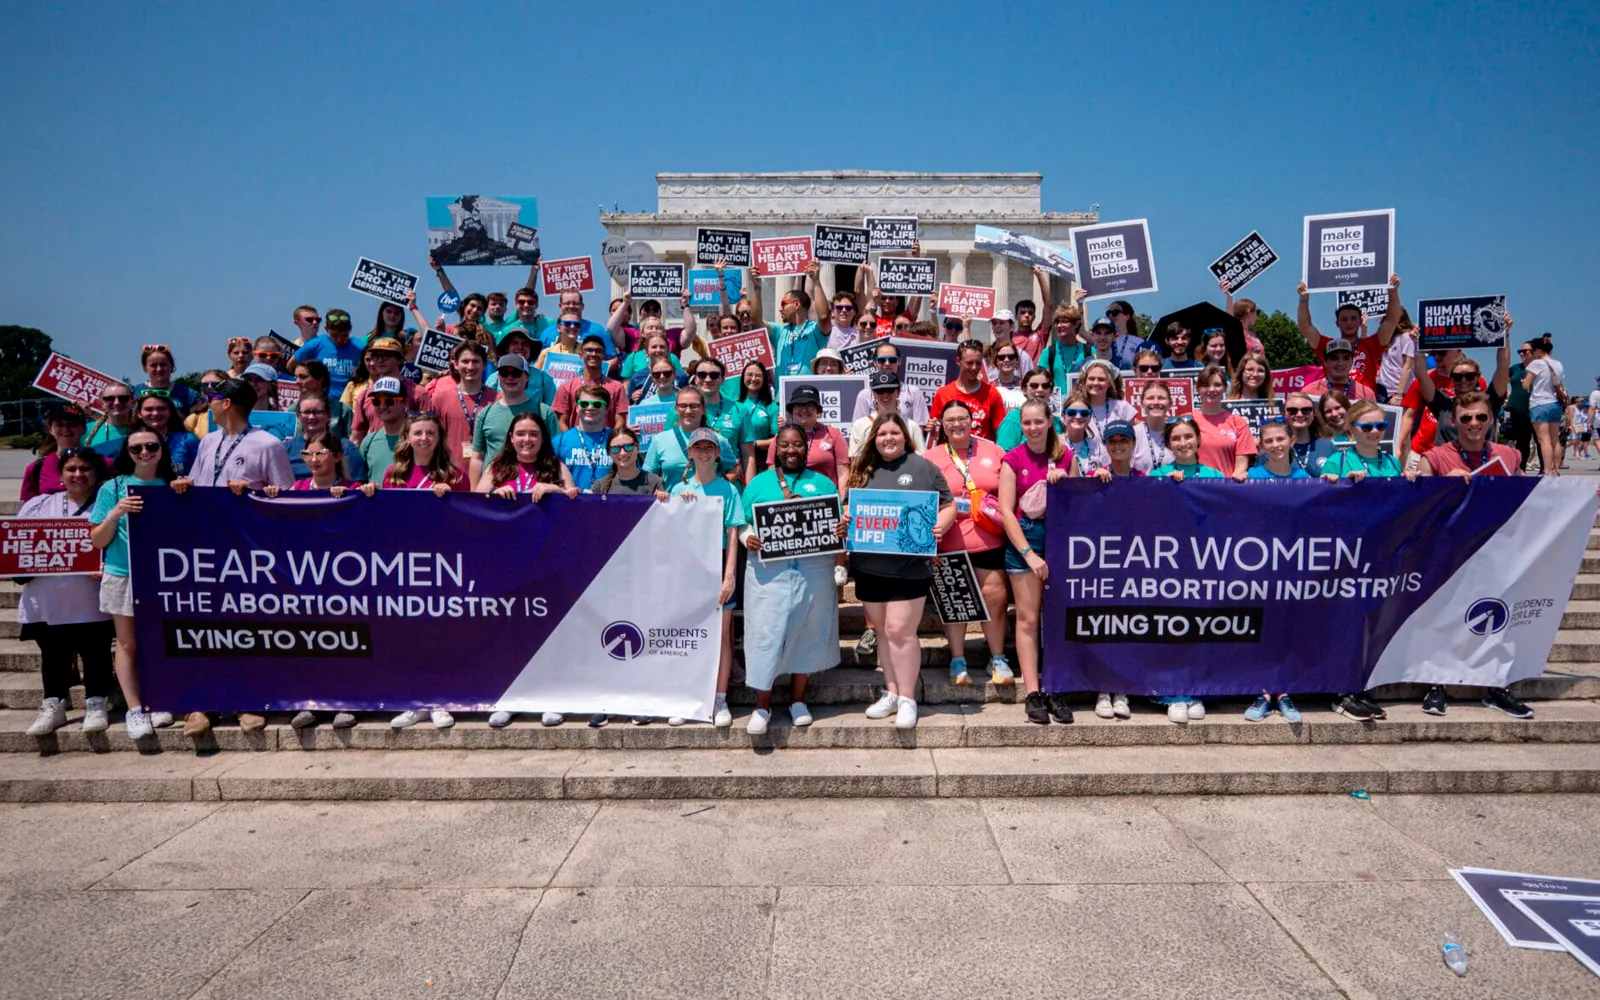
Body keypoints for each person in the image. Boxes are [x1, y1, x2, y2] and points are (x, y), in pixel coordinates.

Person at [1414, 390, 1534, 718]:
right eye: (1466, 418)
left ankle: (1496, 688)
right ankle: (1436, 685)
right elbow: (1416, 507)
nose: (1474, 423)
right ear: (1453, 421)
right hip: (1449, 556)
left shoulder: (1509, 456)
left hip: (1497, 555)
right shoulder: (1435, 457)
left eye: (1481, 417)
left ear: (1491, 419)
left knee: (1497, 621)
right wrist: (1440, 486)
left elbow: (1529, 498)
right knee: (1442, 620)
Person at [843, 413, 955, 730]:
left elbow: (948, 505)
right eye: (882, 434)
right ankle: (891, 692)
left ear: (905, 436)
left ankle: (908, 698)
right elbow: (849, 507)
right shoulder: (862, 470)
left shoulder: (923, 467)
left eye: (894, 432)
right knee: (882, 632)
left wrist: (940, 527)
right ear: (873, 438)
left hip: (910, 566)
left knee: (900, 631)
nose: (888, 438)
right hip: (869, 565)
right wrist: (848, 518)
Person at [88, 431, 182, 740]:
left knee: (161, 640)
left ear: (161, 449)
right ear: (127, 452)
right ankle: (135, 708)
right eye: (137, 447)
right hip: (123, 573)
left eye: (151, 446)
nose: (145, 451)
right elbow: (97, 540)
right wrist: (116, 513)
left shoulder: (173, 484)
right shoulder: (111, 488)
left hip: (165, 576)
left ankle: (159, 699)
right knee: (127, 644)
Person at [20, 449, 121, 736]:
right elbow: (17, 544)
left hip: (90, 595)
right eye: (72, 469)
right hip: (47, 597)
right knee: (53, 654)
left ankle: (96, 702)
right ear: (62, 474)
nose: (78, 474)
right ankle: (54, 704)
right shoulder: (38, 505)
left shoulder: (106, 505)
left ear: (97, 473)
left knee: (97, 652)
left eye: (85, 468)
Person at [998, 399, 1075, 725]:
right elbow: (1005, 510)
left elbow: (1077, 504)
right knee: (1028, 620)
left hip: (1059, 541)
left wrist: (1066, 484)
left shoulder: (1066, 456)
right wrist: (1029, 554)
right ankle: (1032, 691)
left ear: (1049, 422)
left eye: (1038, 422)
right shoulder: (1013, 458)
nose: (1032, 428)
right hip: (1024, 544)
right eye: (1026, 423)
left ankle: (1054, 687)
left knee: (1056, 620)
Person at [927, 400, 1013, 687]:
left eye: (961, 418)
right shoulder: (930, 457)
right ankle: (957, 659)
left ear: (971, 420)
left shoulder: (993, 450)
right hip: (949, 542)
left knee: (996, 601)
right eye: (949, 420)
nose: (956, 424)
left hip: (989, 540)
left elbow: (1009, 492)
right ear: (942, 424)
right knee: (955, 603)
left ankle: (997, 658)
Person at [672, 428, 746, 728]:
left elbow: (732, 534)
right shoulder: (678, 489)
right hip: (687, 572)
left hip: (716, 567)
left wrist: (729, 578)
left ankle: (719, 697)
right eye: (698, 447)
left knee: (721, 638)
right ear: (689, 453)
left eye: (709, 448)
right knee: (687, 639)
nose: (704, 452)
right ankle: (688, 697)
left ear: (717, 453)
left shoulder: (729, 490)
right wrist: (677, 504)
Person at [1407, 333, 1512, 460]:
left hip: (1483, 467)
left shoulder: (1489, 402)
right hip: (1446, 467)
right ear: (1452, 379)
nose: (1464, 380)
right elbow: (1422, 376)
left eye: (1469, 376)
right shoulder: (1443, 405)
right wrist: (1417, 346)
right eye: (1457, 377)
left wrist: (1504, 334)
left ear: (1478, 377)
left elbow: (1503, 367)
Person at [1296, 274, 1405, 394]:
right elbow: (1306, 326)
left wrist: (1393, 292)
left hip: (1363, 405)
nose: (1349, 322)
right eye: (1344, 319)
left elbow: (1391, 320)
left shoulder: (1372, 345)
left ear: (1360, 322)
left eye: (1353, 318)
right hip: (1334, 405)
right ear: (1337, 324)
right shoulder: (1328, 346)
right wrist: (1303, 299)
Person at [469, 354, 559, 487]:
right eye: (504, 373)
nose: (510, 378)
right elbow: (477, 458)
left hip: (535, 490)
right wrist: (476, 497)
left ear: (527, 377)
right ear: (498, 377)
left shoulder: (544, 412)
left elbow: (555, 454)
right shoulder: (485, 413)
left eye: (516, 373)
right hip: (495, 491)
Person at [191, 378, 294, 491]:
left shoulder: (269, 445)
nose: (209, 404)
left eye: (211, 399)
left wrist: (249, 490)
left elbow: (286, 495)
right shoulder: (208, 440)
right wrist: (184, 484)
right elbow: (195, 482)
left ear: (226, 403)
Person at [423, 340, 497, 477]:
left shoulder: (498, 399)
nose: (470, 366)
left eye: (475, 361)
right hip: (449, 475)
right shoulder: (440, 398)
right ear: (455, 364)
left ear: (484, 365)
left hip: (489, 477)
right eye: (465, 361)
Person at [748, 262, 827, 377]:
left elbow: (824, 316)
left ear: (797, 305)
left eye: (784, 304)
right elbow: (755, 321)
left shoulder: (815, 330)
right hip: (782, 394)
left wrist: (816, 281)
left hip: (806, 393)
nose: (780, 309)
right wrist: (756, 287)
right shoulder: (779, 332)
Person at [691, 358, 757, 481]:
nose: (708, 379)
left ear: (722, 379)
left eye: (714, 375)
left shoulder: (739, 409)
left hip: (729, 486)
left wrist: (750, 492)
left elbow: (748, 456)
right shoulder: (682, 409)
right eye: (702, 375)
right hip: (691, 490)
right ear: (695, 378)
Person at [22, 402, 98, 502]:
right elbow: (28, 511)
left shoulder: (101, 463)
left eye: (72, 424)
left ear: (83, 428)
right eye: (59, 424)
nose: (65, 429)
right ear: (51, 429)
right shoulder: (36, 469)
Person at [347, 337, 420, 441]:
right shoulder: (365, 395)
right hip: (375, 453)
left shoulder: (418, 392)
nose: (380, 360)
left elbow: (428, 428)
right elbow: (356, 438)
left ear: (400, 359)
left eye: (386, 356)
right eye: (376, 356)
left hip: (407, 454)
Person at [931, 341, 1008, 441]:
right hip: (951, 452)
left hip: (981, 453)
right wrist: (931, 427)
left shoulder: (991, 393)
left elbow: (1001, 432)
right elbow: (936, 429)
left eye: (978, 363)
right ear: (958, 361)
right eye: (970, 363)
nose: (974, 368)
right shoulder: (943, 393)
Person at [1321, 401, 1413, 482]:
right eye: (1366, 427)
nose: (1375, 431)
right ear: (1351, 428)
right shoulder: (1335, 462)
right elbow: (1325, 498)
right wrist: (1346, 483)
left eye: (1380, 426)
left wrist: (1411, 482)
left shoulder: (1393, 462)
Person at [1191, 364, 1255, 480]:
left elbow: (1241, 465)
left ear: (1225, 388)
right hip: (1193, 488)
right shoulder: (1187, 421)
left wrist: (1237, 476)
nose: (1211, 389)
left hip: (1225, 489)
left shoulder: (1238, 422)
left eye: (1217, 385)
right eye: (1205, 385)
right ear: (1197, 389)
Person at [554, 335, 629, 431]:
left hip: (606, 442)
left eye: (598, 351)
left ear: (603, 356)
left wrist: (610, 441)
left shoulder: (617, 387)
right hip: (575, 443)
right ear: (581, 355)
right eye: (588, 350)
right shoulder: (566, 387)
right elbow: (561, 421)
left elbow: (620, 421)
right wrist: (573, 440)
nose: (593, 354)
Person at [849, 339, 931, 426]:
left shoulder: (914, 392)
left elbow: (920, 427)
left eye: (892, 360)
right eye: (882, 360)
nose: (887, 363)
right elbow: (858, 428)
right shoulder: (864, 395)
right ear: (874, 362)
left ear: (899, 361)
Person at [382, 413, 469, 494]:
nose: (424, 438)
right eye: (417, 433)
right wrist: (371, 493)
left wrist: (450, 498)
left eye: (430, 433)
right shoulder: (393, 474)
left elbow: (465, 508)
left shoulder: (456, 477)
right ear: (407, 437)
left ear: (439, 438)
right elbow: (386, 508)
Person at [269, 431, 370, 497]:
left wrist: (350, 494)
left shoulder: (353, 488)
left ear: (337, 456)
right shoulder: (298, 488)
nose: (313, 460)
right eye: (307, 454)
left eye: (321, 454)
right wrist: (274, 495)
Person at [552, 385, 614, 491]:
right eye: (584, 404)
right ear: (576, 407)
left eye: (597, 404)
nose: (590, 408)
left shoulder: (617, 439)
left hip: (610, 504)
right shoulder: (559, 441)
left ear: (607, 409)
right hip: (571, 504)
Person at [292, 308, 364, 398]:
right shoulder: (317, 344)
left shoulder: (360, 347)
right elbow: (291, 365)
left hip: (350, 401)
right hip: (323, 400)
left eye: (344, 335)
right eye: (334, 335)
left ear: (350, 330)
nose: (339, 339)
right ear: (326, 329)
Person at [850, 370, 925, 456]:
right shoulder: (860, 425)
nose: (885, 395)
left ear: (898, 391)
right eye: (880, 391)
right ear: (873, 393)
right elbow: (855, 461)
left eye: (890, 390)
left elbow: (922, 457)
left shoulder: (912, 426)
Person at [1523, 333, 1566, 474]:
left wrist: (1523, 381)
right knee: (1555, 439)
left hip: (1539, 403)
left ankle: (1546, 470)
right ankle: (1555, 469)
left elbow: (1526, 385)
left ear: (1538, 351)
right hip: (1555, 404)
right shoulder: (1558, 364)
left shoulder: (1537, 363)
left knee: (1543, 440)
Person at [133, 389, 199, 476]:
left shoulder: (188, 440)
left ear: (170, 412)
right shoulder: (131, 444)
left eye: (161, 408)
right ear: (139, 414)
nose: (155, 413)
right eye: (149, 409)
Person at [357, 377, 410, 486]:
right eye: (377, 401)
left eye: (389, 401)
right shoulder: (369, 441)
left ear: (404, 402)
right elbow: (359, 481)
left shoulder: (417, 438)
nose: (382, 406)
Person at [589, 425, 667, 498]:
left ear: (638, 447)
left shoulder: (655, 482)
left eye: (628, 447)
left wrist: (663, 499)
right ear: (609, 452)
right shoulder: (599, 487)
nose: (623, 453)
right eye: (616, 449)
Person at [995, 370, 1063, 451]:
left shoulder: (1057, 422)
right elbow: (1003, 454)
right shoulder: (1013, 418)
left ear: (1051, 391)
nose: (1040, 389)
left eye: (1045, 386)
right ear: (1024, 390)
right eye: (1034, 386)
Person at [291, 359, 353, 438]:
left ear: (320, 380)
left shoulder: (342, 410)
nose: (297, 381)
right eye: (296, 377)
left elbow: (351, 442)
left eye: (303, 377)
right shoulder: (292, 410)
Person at [1302, 338, 1377, 401]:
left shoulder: (1366, 394)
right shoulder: (1309, 392)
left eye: (1346, 358)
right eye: (1334, 358)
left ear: (1352, 361)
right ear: (1325, 362)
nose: (1340, 363)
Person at [1281, 392, 1337, 476]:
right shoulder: (1275, 448)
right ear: (1284, 414)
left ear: (1313, 414)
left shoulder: (1327, 446)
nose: (1299, 414)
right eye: (1292, 410)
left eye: (1306, 410)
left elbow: (1342, 478)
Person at [1152, 416, 1225, 480]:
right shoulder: (1157, 476)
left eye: (1188, 437)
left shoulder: (1216, 477)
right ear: (1168, 443)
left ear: (1198, 438)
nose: (1183, 443)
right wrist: (1163, 485)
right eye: (1176, 438)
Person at [736, 361, 779, 471]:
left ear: (764, 379)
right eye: (750, 374)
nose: (754, 378)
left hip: (762, 463)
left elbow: (778, 439)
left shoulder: (771, 406)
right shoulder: (733, 405)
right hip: (737, 463)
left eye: (758, 375)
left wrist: (754, 444)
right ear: (743, 377)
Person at [131, 345, 199, 412]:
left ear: (171, 366)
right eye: (153, 365)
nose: (159, 369)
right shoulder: (134, 393)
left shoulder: (189, 395)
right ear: (144, 368)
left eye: (163, 364)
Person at [1059, 389, 1110, 474]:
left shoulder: (1099, 448)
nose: (1078, 417)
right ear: (1063, 416)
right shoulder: (1054, 445)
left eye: (1084, 413)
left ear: (1090, 417)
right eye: (1071, 413)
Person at [1130, 381, 1175, 473]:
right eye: (1150, 398)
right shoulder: (1132, 434)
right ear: (1142, 403)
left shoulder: (1176, 433)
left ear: (1170, 403)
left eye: (1161, 398)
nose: (1156, 402)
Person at [84, 382, 134, 452]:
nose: (116, 403)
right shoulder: (85, 430)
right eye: (110, 399)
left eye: (123, 398)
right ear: (102, 404)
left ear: (133, 403)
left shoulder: (142, 430)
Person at [987, 341, 1027, 407]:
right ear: (996, 361)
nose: (1006, 360)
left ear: (1016, 360)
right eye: (1001, 357)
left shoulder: (1026, 385)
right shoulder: (989, 387)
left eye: (1011, 357)